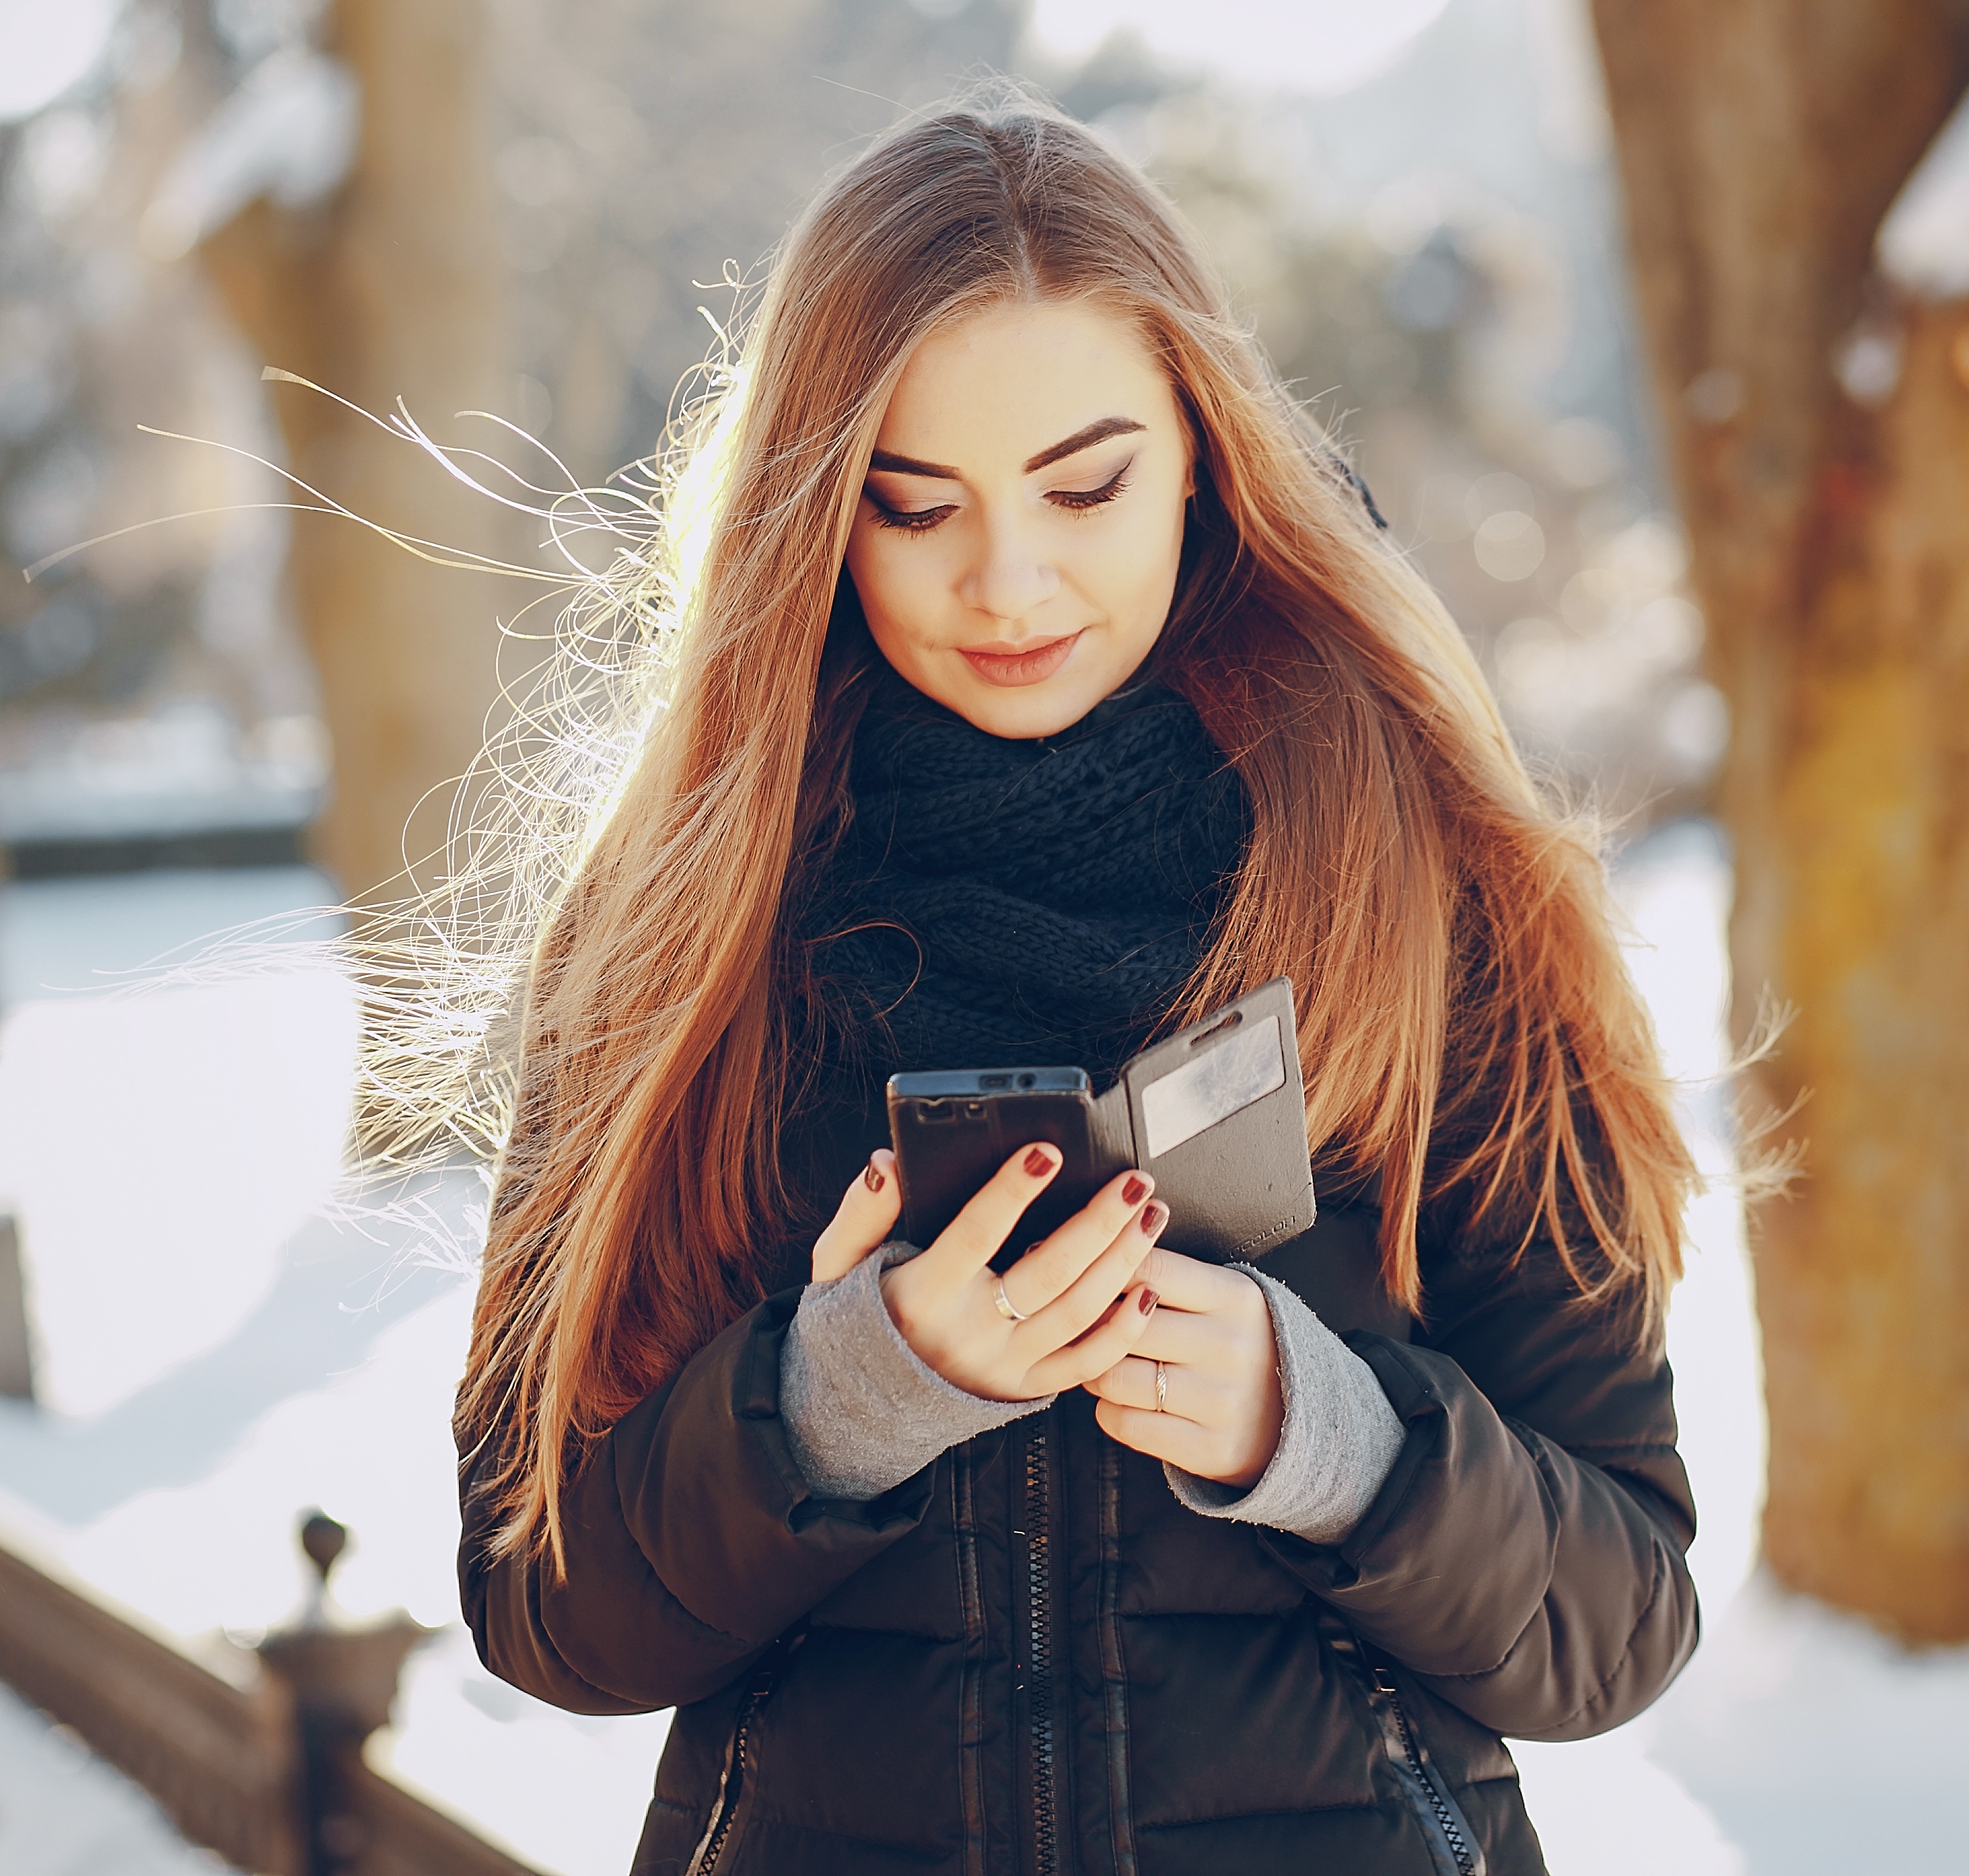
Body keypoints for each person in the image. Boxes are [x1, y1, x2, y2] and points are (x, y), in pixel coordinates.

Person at [450, 89, 1702, 1876]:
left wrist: (1322, 1433)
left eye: (1086, 482)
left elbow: (1625, 1615)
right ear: (815, 514)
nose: (1007, 580)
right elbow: (534, 1600)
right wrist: (834, 1403)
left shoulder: (1426, 886)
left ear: (1204, 450)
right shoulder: (684, 928)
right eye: (913, 504)